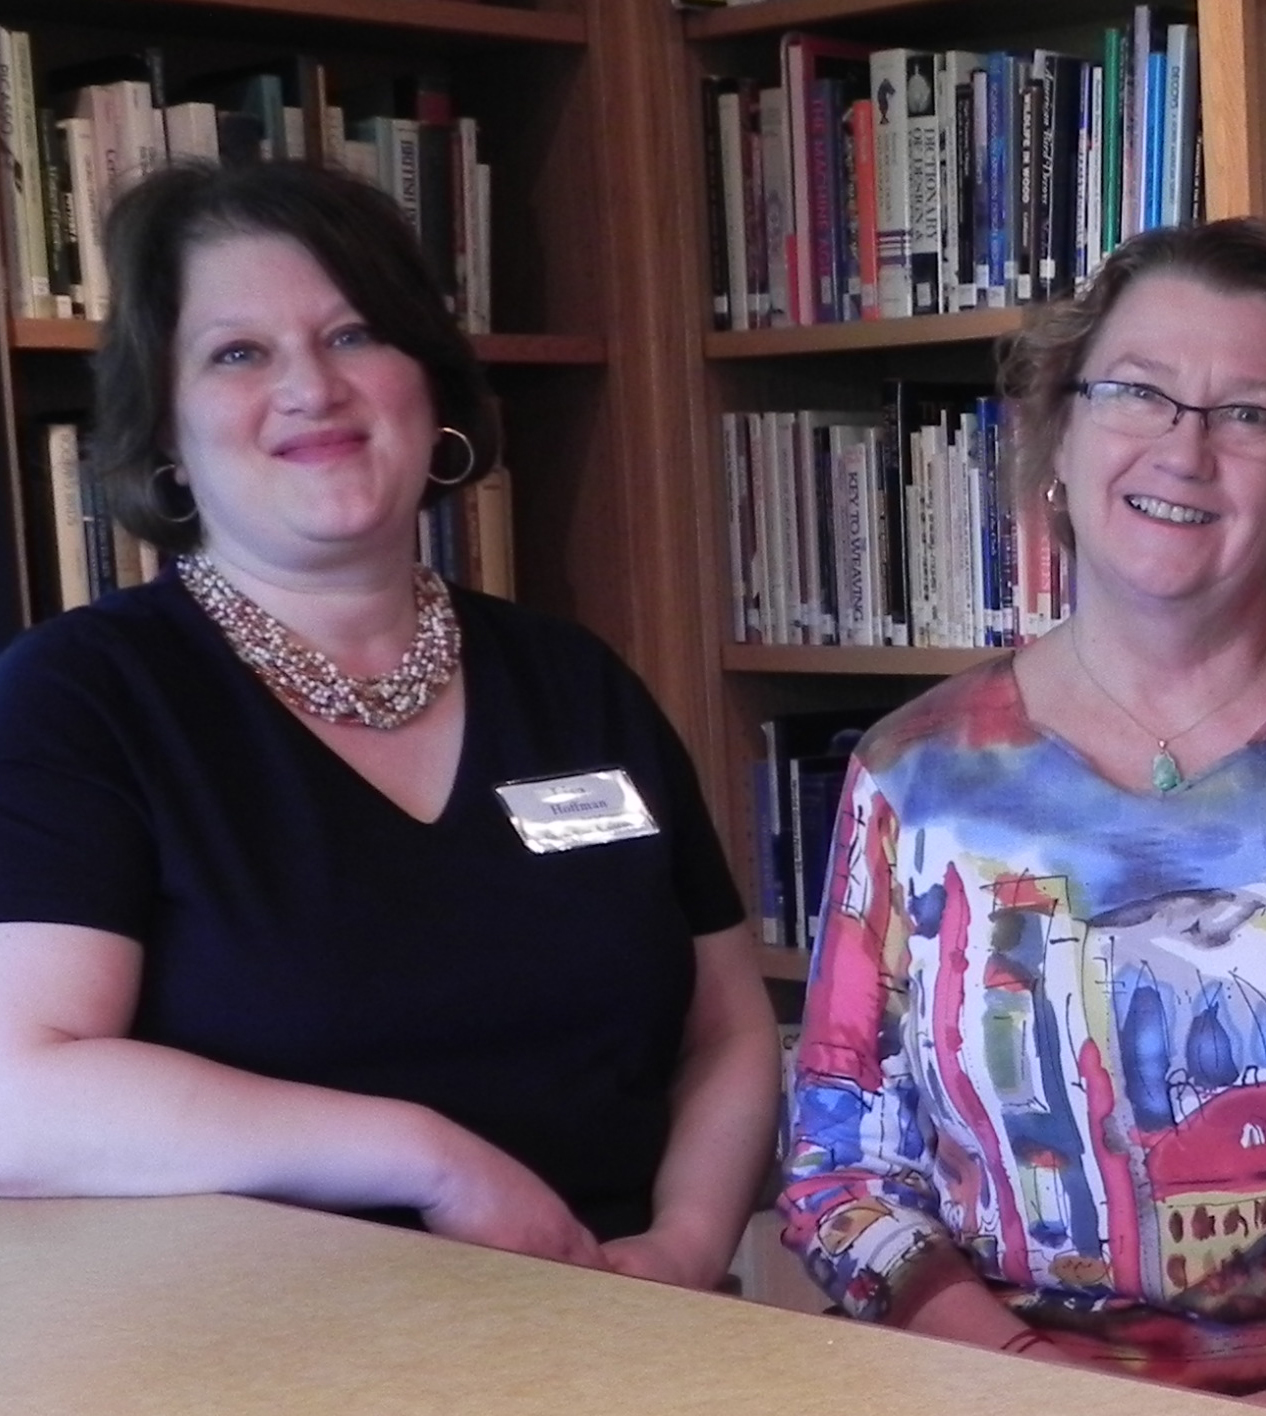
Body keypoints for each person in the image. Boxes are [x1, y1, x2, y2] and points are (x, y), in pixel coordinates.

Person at [0, 160, 779, 1287]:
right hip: (261, 1353)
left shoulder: (572, 679)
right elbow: (19, 1096)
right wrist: (431, 1161)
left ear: (433, 385)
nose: (312, 388)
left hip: (625, 1324)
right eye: (238, 353)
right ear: (165, 427)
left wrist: (686, 1252)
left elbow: (727, 1030)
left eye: (355, 334)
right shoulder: (80, 697)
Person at [777, 217, 1266, 1416]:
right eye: (1139, 394)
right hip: (993, 1390)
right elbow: (840, 1171)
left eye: (1251, 415)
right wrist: (1030, 1388)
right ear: (1059, 431)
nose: (1187, 449)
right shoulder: (918, 771)